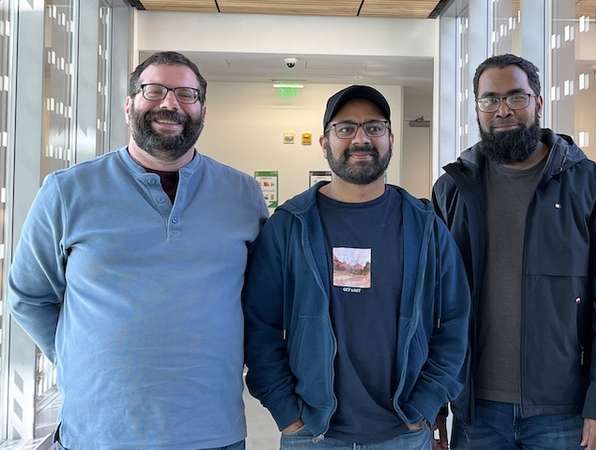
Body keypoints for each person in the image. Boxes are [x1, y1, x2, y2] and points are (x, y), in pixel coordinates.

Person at [7, 51, 267, 450]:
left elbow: (260, 302)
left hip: (213, 432)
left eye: (186, 94)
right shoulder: (66, 192)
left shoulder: (243, 195)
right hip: (98, 434)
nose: (170, 103)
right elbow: (29, 296)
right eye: (154, 90)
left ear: (202, 110)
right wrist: (81, 362)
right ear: (128, 104)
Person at [243, 85, 470, 449]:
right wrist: (287, 412)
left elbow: (457, 321)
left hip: (403, 435)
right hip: (313, 435)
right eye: (346, 128)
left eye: (374, 128)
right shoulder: (290, 225)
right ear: (324, 142)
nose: (361, 138)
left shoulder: (425, 226)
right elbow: (260, 325)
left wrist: (426, 405)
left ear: (391, 139)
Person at [432, 53, 596, 450]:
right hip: (475, 408)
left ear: (539, 102)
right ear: (477, 108)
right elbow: (433, 305)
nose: (503, 110)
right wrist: (435, 407)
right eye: (489, 100)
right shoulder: (453, 188)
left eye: (516, 97)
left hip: (561, 409)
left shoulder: (587, 183)